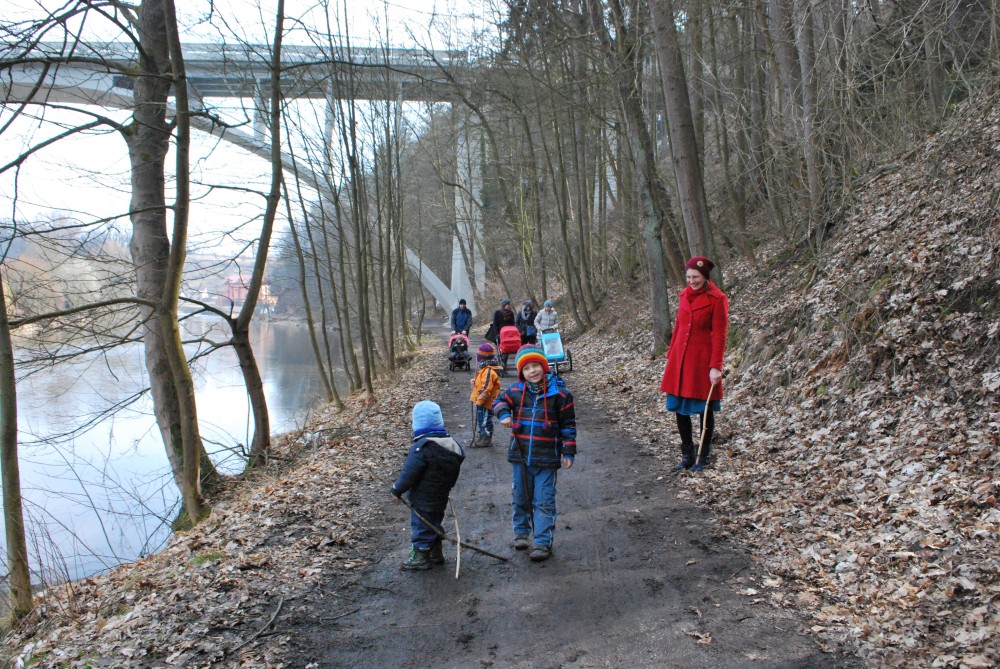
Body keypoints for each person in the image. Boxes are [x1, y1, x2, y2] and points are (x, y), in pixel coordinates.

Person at [493, 345, 576, 562]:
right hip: (520, 456)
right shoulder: (515, 391)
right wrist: (503, 414)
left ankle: (542, 542)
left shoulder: (561, 395)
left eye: (535, 365)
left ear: (544, 366)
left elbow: (568, 425)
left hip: (547, 458)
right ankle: (521, 533)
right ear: (522, 372)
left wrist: (568, 451)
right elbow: (498, 401)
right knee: (520, 496)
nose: (532, 371)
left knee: (544, 500)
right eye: (527, 368)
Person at [660, 256, 729, 473]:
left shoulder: (718, 299)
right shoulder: (683, 295)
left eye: (696, 277)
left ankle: (703, 455)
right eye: (689, 277)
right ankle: (687, 455)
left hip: (701, 362)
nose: (691, 281)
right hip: (680, 360)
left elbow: (720, 335)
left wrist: (716, 366)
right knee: (679, 408)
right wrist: (671, 354)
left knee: (703, 410)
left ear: (705, 276)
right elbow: (679, 326)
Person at [390, 401, 465, 570]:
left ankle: (420, 556)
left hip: (422, 497)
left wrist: (397, 489)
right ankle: (435, 552)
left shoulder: (422, 448)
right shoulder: (452, 445)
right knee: (434, 522)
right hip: (441, 494)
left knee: (421, 525)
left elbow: (409, 473)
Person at [469, 342, 503, 448]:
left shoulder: (488, 371)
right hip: (482, 401)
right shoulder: (484, 369)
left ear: (482, 358)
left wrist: (479, 401)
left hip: (485, 402)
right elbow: (483, 383)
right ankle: (482, 436)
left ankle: (486, 438)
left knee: (485, 420)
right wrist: (475, 382)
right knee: (481, 419)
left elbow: (486, 388)